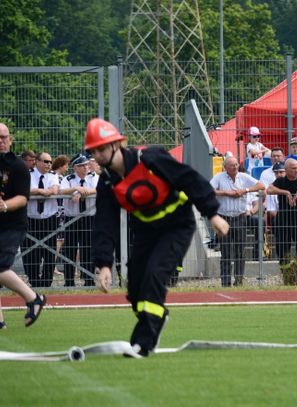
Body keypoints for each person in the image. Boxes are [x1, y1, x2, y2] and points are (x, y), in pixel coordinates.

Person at [86, 118, 229, 357]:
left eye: (102, 148)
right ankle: (156, 318)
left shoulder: (149, 158)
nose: (98, 155)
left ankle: (142, 343)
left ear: (116, 145)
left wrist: (212, 214)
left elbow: (188, 178)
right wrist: (103, 265)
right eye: (94, 151)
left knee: (155, 276)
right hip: (146, 231)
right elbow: (104, 224)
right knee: (136, 287)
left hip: (177, 224)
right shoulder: (107, 183)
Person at [0, 123, 46, 329]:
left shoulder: (18, 166)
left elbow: (22, 198)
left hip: (12, 225)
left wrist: (4, 206)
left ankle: (33, 298)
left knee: (0, 267)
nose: (1, 141)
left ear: (10, 140)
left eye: (4, 137)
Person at [210, 156, 265, 286]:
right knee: (226, 252)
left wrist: (245, 190)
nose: (234, 167)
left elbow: (261, 185)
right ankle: (225, 282)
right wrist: (226, 193)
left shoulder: (243, 177)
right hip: (224, 219)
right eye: (231, 165)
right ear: (225, 167)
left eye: (236, 165)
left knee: (240, 251)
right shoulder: (219, 177)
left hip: (240, 218)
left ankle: (239, 280)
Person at [59, 153, 99, 287]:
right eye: (82, 165)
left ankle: (89, 280)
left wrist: (83, 192)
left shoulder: (94, 177)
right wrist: (76, 189)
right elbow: (61, 191)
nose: (86, 167)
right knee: (70, 249)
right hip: (72, 218)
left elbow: (99, 189)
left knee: (88, 249)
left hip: (89, 218)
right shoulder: (68, 179)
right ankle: (69, 281)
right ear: (75, 167)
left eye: (87, 164)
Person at [21, 151, 59, 287]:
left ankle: (47, 282)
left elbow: (54, 190)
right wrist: (41, 191)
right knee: (30, 252)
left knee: (49, 252)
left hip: (49, 219)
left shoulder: (53, 176)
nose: (49, 164)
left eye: (50, 162)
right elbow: (24, 190)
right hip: (31, 219)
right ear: (37, 162)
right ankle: (34, 281)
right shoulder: (27, 174)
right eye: (46, 161)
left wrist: (36, 191)